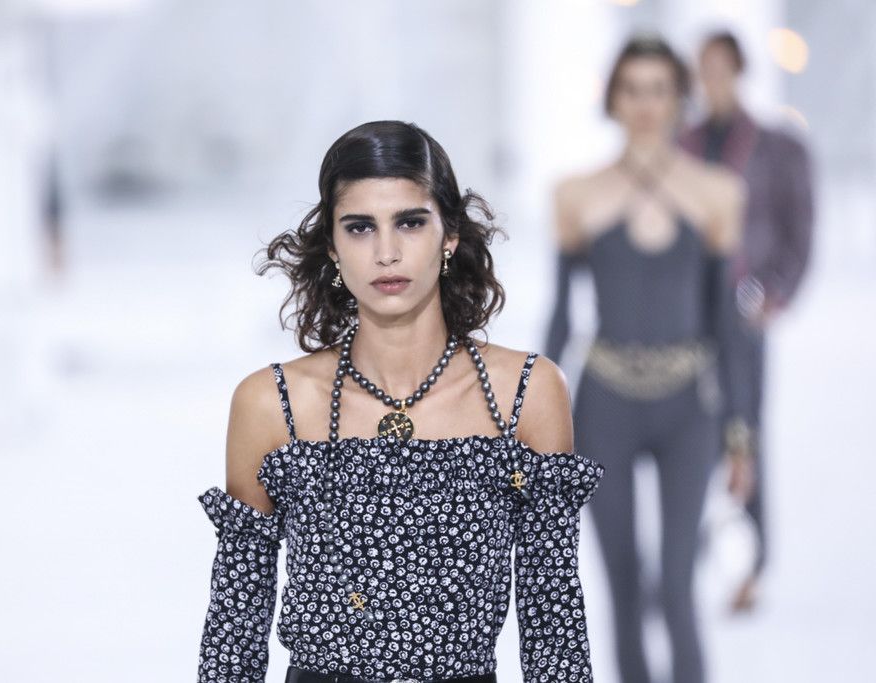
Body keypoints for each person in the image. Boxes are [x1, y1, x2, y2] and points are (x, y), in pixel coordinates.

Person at [196, 120, 605, 683]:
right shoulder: (271, 403)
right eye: (360, 227)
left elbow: (553, 626)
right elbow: (234, 635)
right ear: (333, 247)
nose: (386, 253)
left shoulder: (524, 394)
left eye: (410, 222)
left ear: (450, 236)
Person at [543, 34, 751, 683]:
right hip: (604, 404)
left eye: (659, 89)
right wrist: (530, 420)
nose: (645, 103)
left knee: (680, 580)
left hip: (687, 406)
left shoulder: (716, 193)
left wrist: (741, 433)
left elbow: (726, 325)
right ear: (613, 98)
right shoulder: (576, 194)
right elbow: (560, 317)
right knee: (623, 584)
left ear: (679, 98)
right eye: (632, 89)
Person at [679, 29, 815, 613]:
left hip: (741, 310)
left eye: (720, 67)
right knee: (690, 436)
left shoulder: (775, 147)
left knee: (745, 433)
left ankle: (749, 567)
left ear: (738, 71)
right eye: (702, 68)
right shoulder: (681, 143)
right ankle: (687, 560)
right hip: (686, 313)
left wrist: (774, 295)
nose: (711, 79)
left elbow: (799, 229)